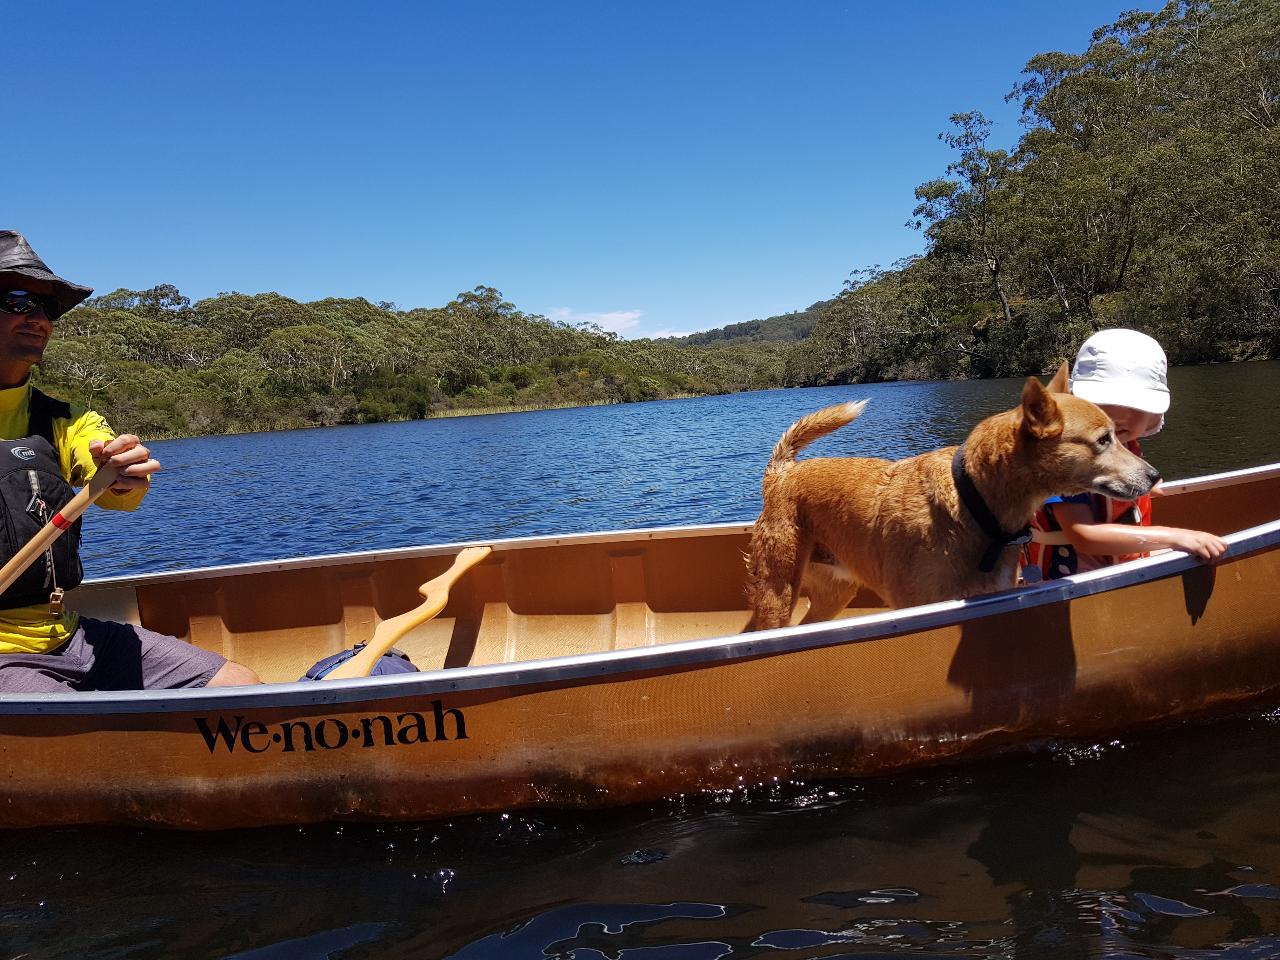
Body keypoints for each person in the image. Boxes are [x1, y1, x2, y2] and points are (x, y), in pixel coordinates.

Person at [0, 230, 260, 692]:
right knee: (82, 734)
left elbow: (116, 483)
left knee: (240, 686)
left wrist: (122, 471)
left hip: (69, 634)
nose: (38, 318)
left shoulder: (66, 419)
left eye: (48, 308)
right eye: (19, 301)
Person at [1023, 328, 1228, 581]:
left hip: (1120, 568)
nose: (1120, 416)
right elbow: (1083, 535)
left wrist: (1144, 484)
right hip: (1074, 581)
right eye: (1101, 402)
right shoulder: (1068, 458)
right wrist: (1177, 537)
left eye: (1135, 406)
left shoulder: (1125, 444)